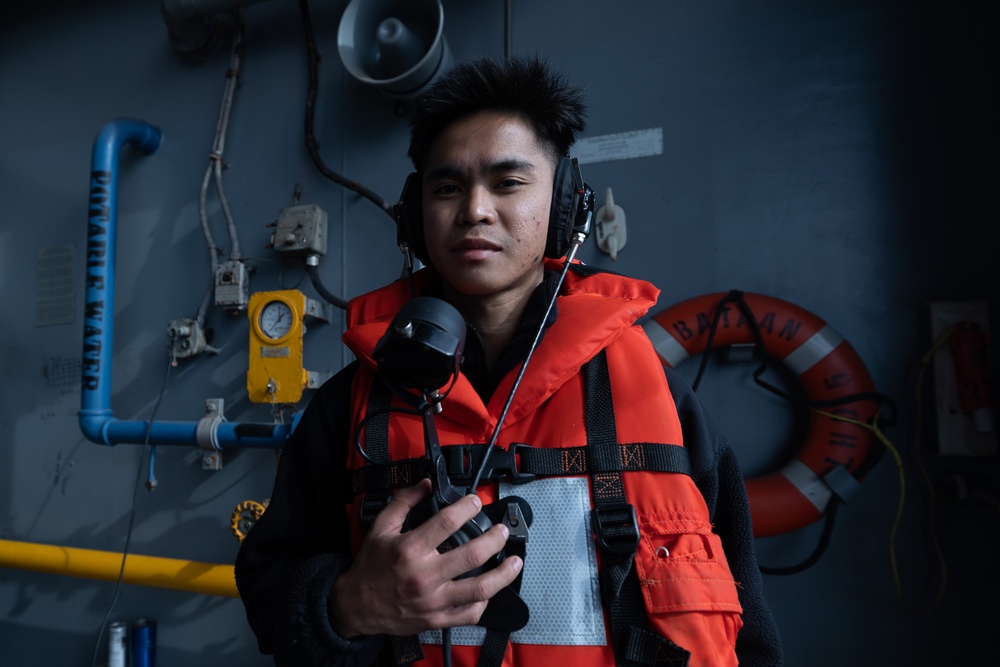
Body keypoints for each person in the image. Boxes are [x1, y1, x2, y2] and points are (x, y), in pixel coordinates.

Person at [235, 55, 783, 667]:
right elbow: (268, 592)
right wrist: (348, 606)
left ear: (566, 202)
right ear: (416, 215)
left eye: (508, 182)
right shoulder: (350, 407)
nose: (474, 210)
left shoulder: (660, 397)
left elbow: (747, 615)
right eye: (448, 188)